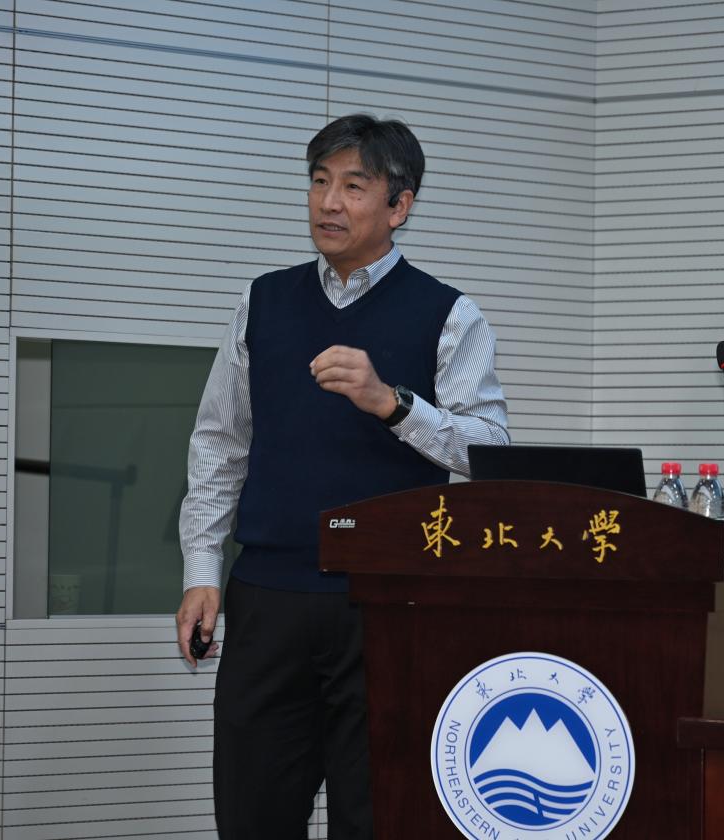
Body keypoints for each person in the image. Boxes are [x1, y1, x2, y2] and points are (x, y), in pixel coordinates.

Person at [175, 114, 509, 839]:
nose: (329, 202)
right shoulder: (262, 301)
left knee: (380, 816)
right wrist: (201, 571)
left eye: (354, 186)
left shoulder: (450, 315)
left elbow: (488, 449)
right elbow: (220, 442)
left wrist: (394, 404)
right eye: (319, 182)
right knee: (253, 814)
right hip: (269, 598)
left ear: (399, 205)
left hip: (391, 607)